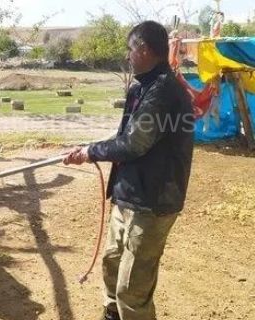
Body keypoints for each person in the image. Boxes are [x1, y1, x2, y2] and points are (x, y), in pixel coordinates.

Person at [64, 21, 194, 320]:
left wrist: (90, 153)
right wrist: (88, 148)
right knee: (112, 264)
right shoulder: (142, 88)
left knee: (132, 288)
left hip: (152, 202)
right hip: (129, 195)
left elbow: (135, 144)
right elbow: (125, 138)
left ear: (144, 49)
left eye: (130, 49)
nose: (128, 56)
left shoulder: (163, 91)